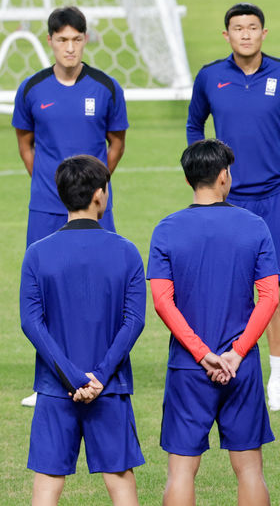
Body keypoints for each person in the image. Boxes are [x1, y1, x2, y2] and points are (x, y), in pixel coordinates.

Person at [186, 2, 280, 411]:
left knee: (277, 290)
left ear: (264, 34)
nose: (245, 34)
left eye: (252, 28)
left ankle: (277, 383)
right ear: (226, 35)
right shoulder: (210, 77)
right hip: (225, 199)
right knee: (223, 286)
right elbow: (195, 124)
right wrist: (204, 172)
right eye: (237, 28)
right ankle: (219, 365)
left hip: (273, 200)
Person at [147, 139, 279, 506]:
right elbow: (270, 298)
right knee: (250, 470)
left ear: (190, 179)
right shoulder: (254, 226)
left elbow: (162, 302)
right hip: (242, 366)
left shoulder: (167, 229)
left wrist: (203, 353)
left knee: (181, 472)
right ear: (224, 177)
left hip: (188, 366)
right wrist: (235, 354)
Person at [12, 5, 129, 408]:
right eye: (62, 39)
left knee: (101, 286)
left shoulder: (106, 87)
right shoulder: (32, 89)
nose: (69, 47)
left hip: (95, 208)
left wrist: (94, 185)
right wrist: (53, 185)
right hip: (46, 206)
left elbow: (117, 142)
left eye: (76, 39)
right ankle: (46, 377)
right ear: (49, 41)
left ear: (85, 40)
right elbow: (24, 140)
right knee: (44, 291)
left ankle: (106, 370)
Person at [19, 155, 145, 506]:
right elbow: (134, 321)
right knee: (121, 487)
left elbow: (32, 323)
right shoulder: (127, 252)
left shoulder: (37, 254)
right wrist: (99, 377)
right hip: (110, 388)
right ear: (100, 195)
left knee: (46, 488)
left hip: (55, 390)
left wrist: (73, 378)